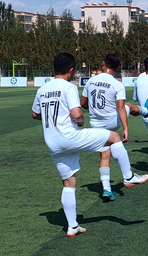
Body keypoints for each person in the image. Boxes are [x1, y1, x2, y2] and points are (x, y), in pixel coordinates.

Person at [32, 53, 138, 233]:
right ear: (71, 70)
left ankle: (72, 226)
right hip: (69, 137)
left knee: (69, 182)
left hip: (52, 142)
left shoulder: (42, 89)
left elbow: (35, 114)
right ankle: (128, 176)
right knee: (113, 137)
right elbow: (77, 113)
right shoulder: (69, 87)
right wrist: (80, 120)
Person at [80, 54, 148, 198]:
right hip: (112, 121)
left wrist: (94, 109)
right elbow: (120, 108)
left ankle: (106, 189)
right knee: (128, 106)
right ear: (117, 68)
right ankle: (145, 110)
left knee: (104, 154)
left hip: (95, 123)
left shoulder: (91, 81)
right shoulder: (117, 84)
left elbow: (83, 103)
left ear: (103, 63)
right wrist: (126, 128)